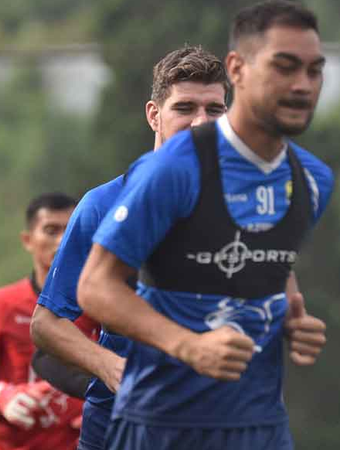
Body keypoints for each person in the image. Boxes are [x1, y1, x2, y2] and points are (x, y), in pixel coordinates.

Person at [77, 2, 332, 448]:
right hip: (161, 424)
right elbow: (96, 287)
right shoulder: (173, 168)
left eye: (314, 70)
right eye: (284, 66)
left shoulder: (313, 180)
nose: (302, 85)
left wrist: (293, 317)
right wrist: (188, 345)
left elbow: (268, 265)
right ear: (239, 69)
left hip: (262, 427)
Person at [30, 45, 229, 450]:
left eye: (215, 110)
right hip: (120, 425)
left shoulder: (247, 205)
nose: (200, 123)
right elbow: (46, 324)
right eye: (185, 108)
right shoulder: (103, 205)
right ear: (154, 114)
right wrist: (109, 366)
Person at [0, 193, 86, 450]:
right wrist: (2, 396)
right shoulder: (0, 305)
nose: (61, 241)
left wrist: (99, 407)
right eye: (50, 230)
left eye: (69, 231)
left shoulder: (101, 305)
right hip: (14, 443)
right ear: (28, 240)